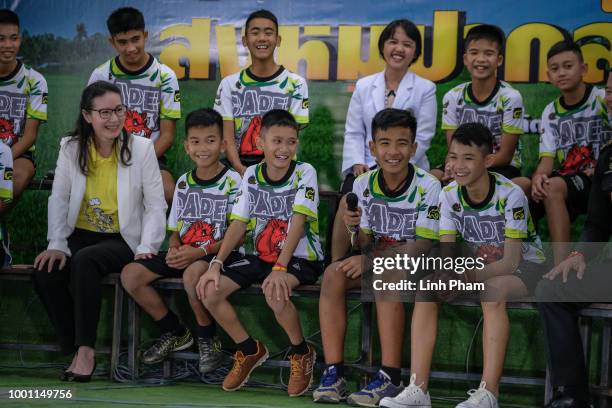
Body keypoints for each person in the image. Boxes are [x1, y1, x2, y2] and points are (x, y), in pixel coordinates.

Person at [380, 123, 545, 408]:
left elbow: (511, 260)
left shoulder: (511, 195)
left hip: (524, 266)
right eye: (453, 157)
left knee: (491, 291)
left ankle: (489, 393)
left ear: (488, 160)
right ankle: (418, 389)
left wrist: (468, 275)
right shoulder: (448, 195)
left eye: (468, 158)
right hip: (476, 267)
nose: (457, 165)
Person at [32, 81, 167, 382]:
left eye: (118, 110)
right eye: (104, 112)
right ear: (87, 115)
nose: (114, 119)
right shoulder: (71, 147)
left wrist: (148, 245)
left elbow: (156, 206)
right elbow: (60, 197)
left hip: (123, 238)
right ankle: (72, 344)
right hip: (79, 234)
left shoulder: (142, 148)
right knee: (45, 270)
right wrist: (56, 242)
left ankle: (86, 350)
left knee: (86, 261)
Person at [313, 108, 440, 406]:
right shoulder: (362, 184)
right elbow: (367, 244)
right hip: (382, 260)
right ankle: (334, 373)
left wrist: (371, 261)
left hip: (418, 265)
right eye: (384, 143)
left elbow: (423, 246)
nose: (392, 151)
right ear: (372, 147)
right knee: (333, 274)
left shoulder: (429, 186)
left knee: (386, 273)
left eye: (401, 143)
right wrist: (355, 230)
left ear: (413, 148)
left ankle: (391, 377)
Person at [196, 109, 323, 397]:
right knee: (208, 290)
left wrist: (280, 268)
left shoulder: (305, 172)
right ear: (260, 141)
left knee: (275, 291)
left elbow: (298, 223)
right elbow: (239, 222)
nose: (284, 149)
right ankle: (249, 349)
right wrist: (216, 263)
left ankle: (301, 352)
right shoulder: (251, 174)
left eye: (291, 142)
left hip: (300, 257)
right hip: (259, 256)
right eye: (277, 141)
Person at [120, 108, 241, 374]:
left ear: (222, 145)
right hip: (187, 251)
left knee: (192, 275)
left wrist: (198, 253)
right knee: (131, 274)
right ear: (186, 146)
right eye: (195, 141)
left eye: (210, 140)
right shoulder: (184, 182)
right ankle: (174, 332)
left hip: (217, 255)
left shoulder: (234, 181)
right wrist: (174, 248)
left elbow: (237, 232)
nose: (203, 148)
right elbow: (175, 229)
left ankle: (208, 339)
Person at [535, 68, 612, 408]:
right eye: (610, 91)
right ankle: (571, 396)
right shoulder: (608, 154)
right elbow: (596, 223)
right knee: (553, 287)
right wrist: (578, 255)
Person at [333, 18, 436, 261]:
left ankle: (385, 257)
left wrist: (391, 162)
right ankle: (336, 263)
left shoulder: (425, 88)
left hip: (407, 167)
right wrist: (358, 161)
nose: (399, 49)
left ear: (415, 52)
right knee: (348, 198)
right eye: (393, 42)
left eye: (407, 44)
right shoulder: (364, 85)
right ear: (383, 47)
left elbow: (424, 136)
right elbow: (354, 130)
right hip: (366, 165)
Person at [88, 7, 181, 204]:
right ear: (112, 42)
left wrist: (138, 164)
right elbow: (91, 127)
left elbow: (167, 135)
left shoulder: (165, 76)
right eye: (122, 42)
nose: (130, 48)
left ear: (145, 36)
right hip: (107, 155)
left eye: (135, 39)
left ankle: (158, 234)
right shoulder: (101, 75)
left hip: (150, 157)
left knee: (169, 193)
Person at [531, 40, 611, 265]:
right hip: (570, 181)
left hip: (601, 178)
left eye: (568, 66)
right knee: (532, 187)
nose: (562, 73)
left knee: (553, 186)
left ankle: (560, 270)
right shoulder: (551, 111)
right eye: (555, 69)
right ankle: (530, 263)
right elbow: (547, 159)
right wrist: (538, 176)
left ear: (584, 69)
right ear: (548, 74)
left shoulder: (602, 100)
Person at [436, 24, 530, 194]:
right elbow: (453, 149)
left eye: (488, 53)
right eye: (474, 53)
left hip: (500, 166)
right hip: (461, 162)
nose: (480, 59)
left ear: (499, 60)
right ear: (465, 59)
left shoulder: (510, 97)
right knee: (431, 179)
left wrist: (468, 169)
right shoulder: (453, 96)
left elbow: (506, 155)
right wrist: (452, 165)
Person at [214, 9, 309, 175]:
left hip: (280, 162)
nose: (262, 38)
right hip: (236, 164)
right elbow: (227, 137)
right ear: (245, 40)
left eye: (268, 32)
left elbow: (290, 136)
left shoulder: (296, 84)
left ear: (278, 40)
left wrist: (260, 172)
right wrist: (241, 169)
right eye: (255, 32)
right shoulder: (229, 84)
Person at [0, 9, 48, 262]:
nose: (8, 45)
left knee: (17, 176)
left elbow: (29, 136)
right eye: (1, 39)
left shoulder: (35, 81)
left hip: (17, 152)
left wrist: (2, 157)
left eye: (14, 38)